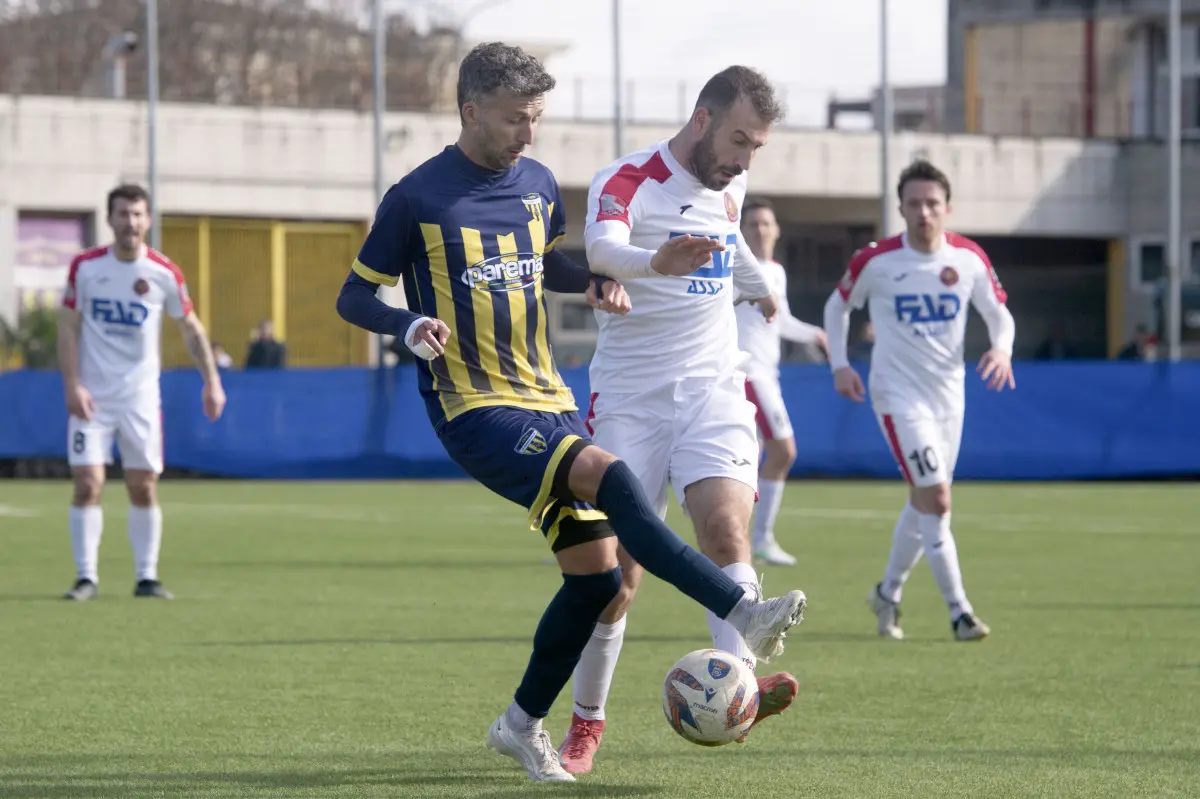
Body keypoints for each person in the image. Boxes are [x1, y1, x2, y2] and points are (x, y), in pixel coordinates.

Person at [334, 43, 806, 784]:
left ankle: (520, 724)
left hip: (544, 397)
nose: (530, 134)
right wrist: (404, 326)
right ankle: (737, 611)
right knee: (607, 475)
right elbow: (354, 294)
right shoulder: (417, 198)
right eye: (517, 119)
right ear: (471, 112)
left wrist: (587, 283)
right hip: (474, 405)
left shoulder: (538, 183)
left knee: (596, 581)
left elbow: (543, 259)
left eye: (537, 118)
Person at [559, 66, 806, 777]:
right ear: (702, 118)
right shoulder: (628, 177)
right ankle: (585, 721)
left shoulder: (732, 184)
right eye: (738, 140)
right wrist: (653, 263)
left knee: (727, 533)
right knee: (617, 576)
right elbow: (602, 248)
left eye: (756, 146)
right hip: (630, 400)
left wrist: (758, 288)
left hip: (713, 391)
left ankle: (734, 684)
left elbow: (730, 249)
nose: (744, 160)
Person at [822, 159, 1015, 642]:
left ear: (947, 208)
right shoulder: (877, 261)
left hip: (950, 398)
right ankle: (960, 612)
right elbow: (837, 305)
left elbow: (999, 314)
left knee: (923, 500)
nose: (924, 212)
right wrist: (840, 364)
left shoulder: (969, 258)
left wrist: (1001, 347)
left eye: (932, 203)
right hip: (897, 396)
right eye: (914, 204)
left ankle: (887, 593)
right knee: (939, 498)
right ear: (901, 209)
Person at [58, 184, 226, 602]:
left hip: (140, 399)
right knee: (87, 483)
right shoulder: (86, 267)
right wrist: (72, 383)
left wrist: (212, 380)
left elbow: (190, 328)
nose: (130, 222)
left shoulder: (164, 273)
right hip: (92, 398)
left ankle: (146, 577)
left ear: (148, 220)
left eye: (137, 214)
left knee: (143, 485)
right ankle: (86, 577)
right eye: (122, 214)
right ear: (109, 219)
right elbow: (67, 327)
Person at [735, 197, 827, 568]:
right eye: (752, 223)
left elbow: (781, 320)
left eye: (765, 223)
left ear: (777, 230)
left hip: (767, 372)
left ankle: (744, 539)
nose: (759, 229)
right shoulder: (736, 267)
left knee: (749, 461)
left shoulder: (775, 271)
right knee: (784, 450)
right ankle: (760, 539)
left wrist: (816, 334)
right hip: (748, 373)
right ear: (742, 231)